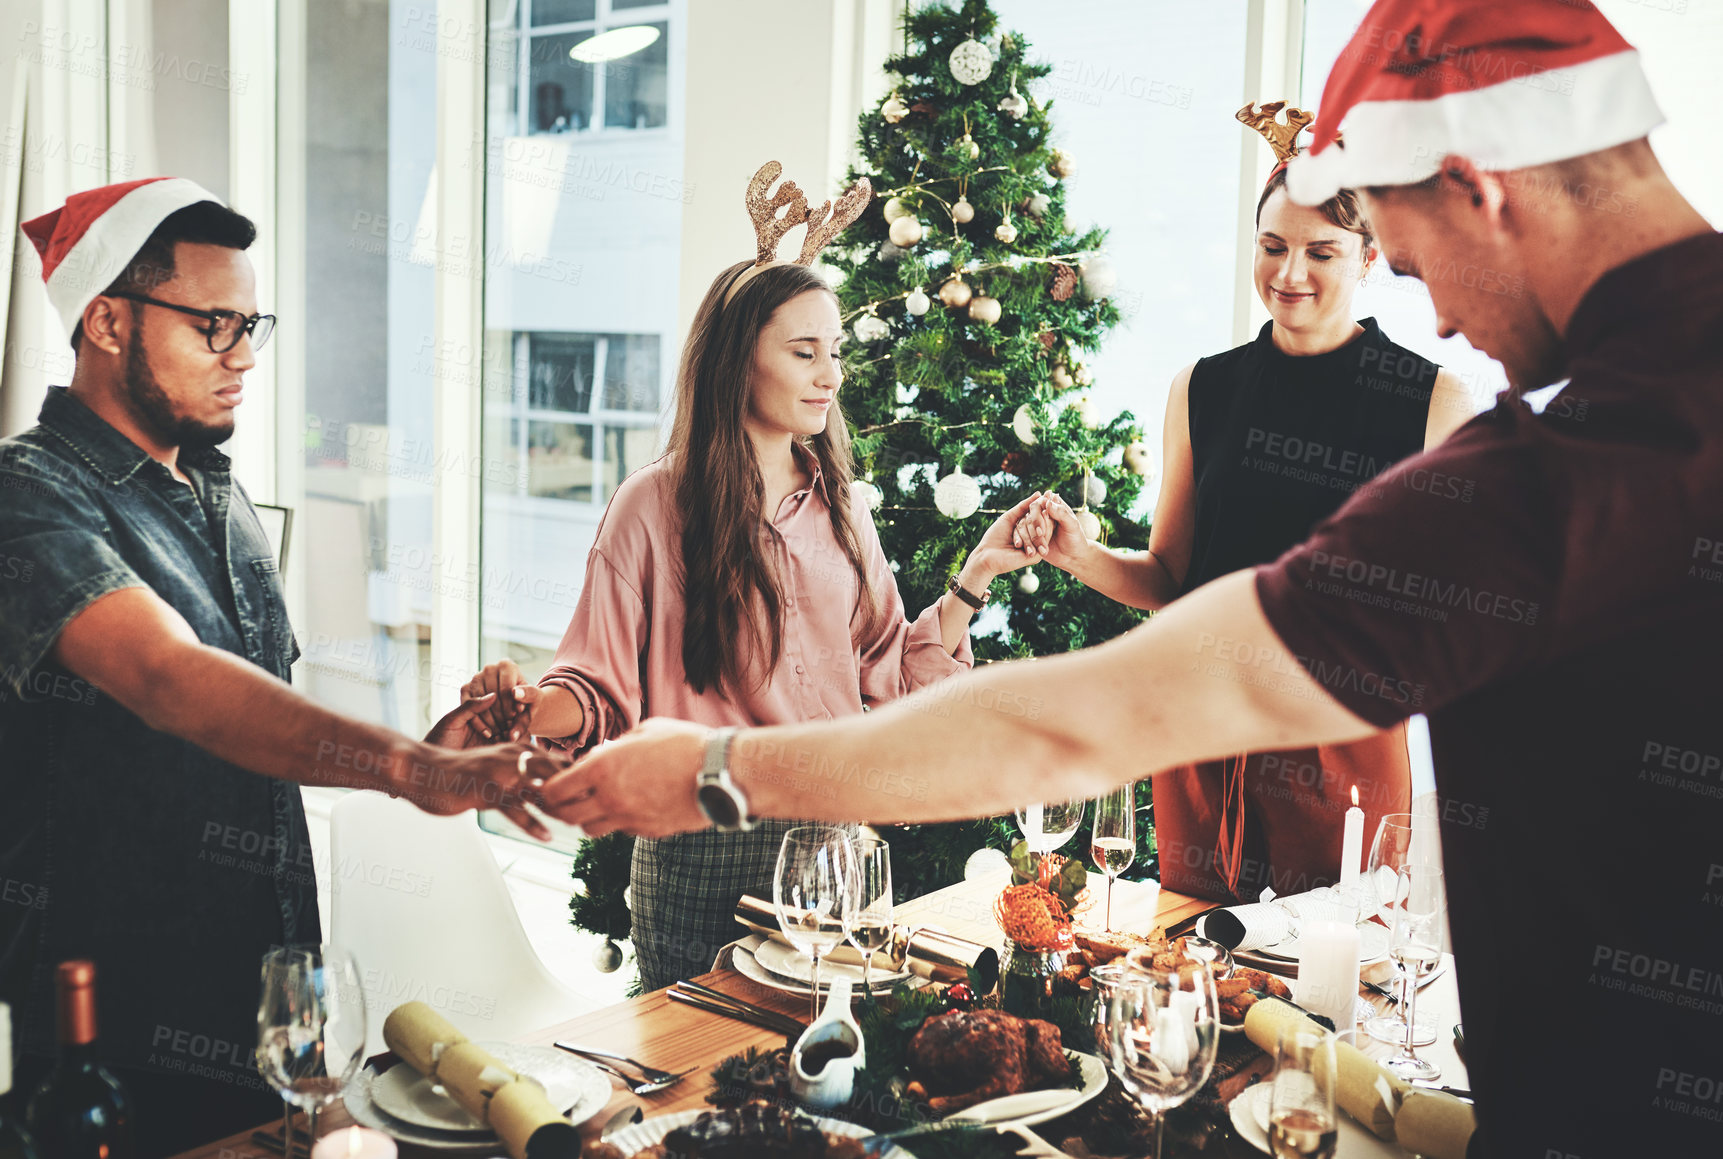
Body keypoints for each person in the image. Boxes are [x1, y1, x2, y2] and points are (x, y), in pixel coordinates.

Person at [539, 3, 1722, 1153]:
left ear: (1479, 185)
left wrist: (716, 770)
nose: (1444, 321)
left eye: (1400, 266)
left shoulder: (1548, 469)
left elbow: (1091, 722)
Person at [0, 178, 561, 1158]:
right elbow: (172, 681)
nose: (245, 356)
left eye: (251, 323)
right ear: (106, 322)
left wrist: (427, 755)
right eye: (214, 324)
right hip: (110, 1033)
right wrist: (408, 767)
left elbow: (252, 726)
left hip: (261, 1008)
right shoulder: (28, 494)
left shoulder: (223, 496)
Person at [456, 163, 1038, 990]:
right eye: (804, 352)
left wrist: (976, 575)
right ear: (739, 362)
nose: (830, 376)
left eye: (833, 352)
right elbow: (595, 685)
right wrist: (519, 709)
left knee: (823, 1074)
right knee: (696, 1083)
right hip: (700, 846)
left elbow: (893, 670)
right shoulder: (652, 505)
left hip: (836, 840)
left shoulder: (840, 505)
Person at [1021, 113, 1473, 903]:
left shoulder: (1433, 399)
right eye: (1272, 247)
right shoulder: (1201, 386)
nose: (1289, 272)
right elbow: (1172, 577)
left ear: (1367, 258)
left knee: (1331, 989)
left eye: (1321, 252)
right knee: (1188, 975)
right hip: (1198, 734)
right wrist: (1078, 555)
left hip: (1340, 750)